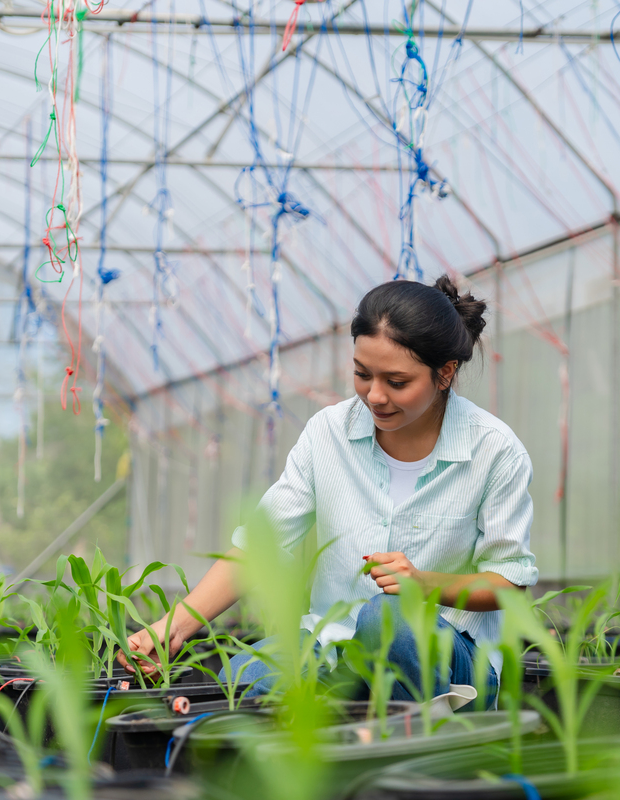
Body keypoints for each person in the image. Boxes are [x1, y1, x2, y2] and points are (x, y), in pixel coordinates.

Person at [117, 275, 537, 703]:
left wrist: (424, 584)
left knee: (388, 617)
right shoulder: (328, 434)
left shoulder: (493, 450)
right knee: (241, 676)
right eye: (362, 374)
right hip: (333, 644)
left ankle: (423, 735)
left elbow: (510, 580)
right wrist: (172, 628)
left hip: (449, 659)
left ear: (444, 373)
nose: (374, 396)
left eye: (396, 382)